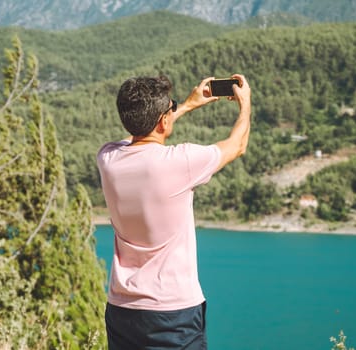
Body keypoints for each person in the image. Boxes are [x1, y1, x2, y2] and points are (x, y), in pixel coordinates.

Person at [97, 74, 251, 349]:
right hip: (172, 313)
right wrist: (245, 104)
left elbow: (136, 137)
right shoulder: (179, 162)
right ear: (163, 121)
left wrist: (183, 107)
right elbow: (237, 144)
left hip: (122, 309)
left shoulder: (107, 158)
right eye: (170, 109)